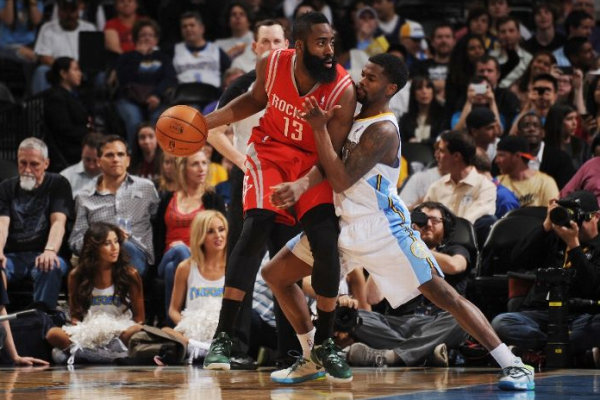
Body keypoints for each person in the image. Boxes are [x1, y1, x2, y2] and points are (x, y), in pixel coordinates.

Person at [265, 53, 534, 391]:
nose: (362, 81)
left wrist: (319, 128)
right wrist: (301, 184)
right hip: (345, 224)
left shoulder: (383, 129)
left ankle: (513, 363)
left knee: (445, 296)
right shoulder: (355, 116)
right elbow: (331, 162)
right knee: (275, 274)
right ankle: (311, 357)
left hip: (383, 229)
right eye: (363, 74)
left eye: (371, 78)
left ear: (390, 88)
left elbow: (341, 179)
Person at [201, 12, 355, 376]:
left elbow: (332, 155)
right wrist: (206, 122)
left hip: (313, 165)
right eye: (321, 43)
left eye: (331, 42)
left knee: (325, 241)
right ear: (299, 46)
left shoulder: (342, 89)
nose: (329, 50)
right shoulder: (271, 64)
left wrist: (302, 185)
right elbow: (253, 101)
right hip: (269, 152)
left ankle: (325, 342)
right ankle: (224, 336)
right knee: (256, 226)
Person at [345, 202, 470, 368]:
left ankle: (392, 355)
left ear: (445, 225)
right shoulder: (398, 252)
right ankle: (424, 355)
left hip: (436, 323)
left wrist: (412, 245)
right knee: (356, 317)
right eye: (422, 219)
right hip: (399, 323)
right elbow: (372, 298)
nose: (428, 224)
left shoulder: (455, 250)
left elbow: (454, 266)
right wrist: (390, 248)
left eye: (435, 220)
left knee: (462, 317)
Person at [492, 190, 600, 362]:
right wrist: (545, 226)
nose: (573, 223)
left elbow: (592, 286)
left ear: (596, 217)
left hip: (582, 315)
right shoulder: (553, 238)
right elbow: (518, 260)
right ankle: (569, 352)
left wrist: (574, 246)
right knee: (501, 323)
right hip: (543, 314)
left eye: (579, 217)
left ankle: (538, 352)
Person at [47, 222, 144, 364]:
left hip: (120, 331)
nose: (114, 248)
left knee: (137, 330)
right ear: (94, 247)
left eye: (116, 242)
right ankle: (110, 356)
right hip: (90, 330)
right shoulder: (76, 275)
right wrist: (85, 332)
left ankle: (83, 355)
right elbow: (75, 316)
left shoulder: (130, 274)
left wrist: (122, 331)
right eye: (107, 243)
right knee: (53, 334)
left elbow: (140, 318)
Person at [69, 135, 159, 277]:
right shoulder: (84, 196)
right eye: (109, 155)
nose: (116, 159)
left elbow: (159, 221)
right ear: (98, 161)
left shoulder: (146, 188)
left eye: (120, 154)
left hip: (136, 255)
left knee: (125, 247)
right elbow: (76, 240)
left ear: (128, 160)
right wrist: (103, 239)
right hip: (98, 258)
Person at [0, 138, 73, 309]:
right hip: (14, 256)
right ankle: (3, 320)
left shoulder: (58, 183)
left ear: (46, 163)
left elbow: (58, 222)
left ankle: (42, 319)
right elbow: (2, 224)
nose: (27, 170)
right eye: (22, 163)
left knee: (50, 265)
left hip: (45, 252)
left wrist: (50, 250)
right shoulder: (6, 187)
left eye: (34, 164)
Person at [154, 152, 226, 324]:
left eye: (204, 163)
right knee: (177, 253)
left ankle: (173, 324)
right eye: (195, 164)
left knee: (172, 269)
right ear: (183, 169)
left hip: (199, 260)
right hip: (168, 255)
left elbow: (223, 232)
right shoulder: (168, 198)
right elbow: (158, 235)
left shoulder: (213, 199)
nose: (202, 168)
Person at [161, 210, 227, 363]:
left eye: (221, 229)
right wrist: (190, 326)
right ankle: (201, 348)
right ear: (200, 235)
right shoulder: (186, 267)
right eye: (210, 231)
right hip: (192, 332)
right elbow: (173, 310)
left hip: (221, 333)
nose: (218, 236)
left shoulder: (232, 267)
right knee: (165, 331)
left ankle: (206, 349)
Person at [114, 18, 176, 146]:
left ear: (156, 40)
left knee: (158, 121)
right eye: (143, 35)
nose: (147, 38)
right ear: (135, 38)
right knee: (134, 121)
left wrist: (156, 95)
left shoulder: (163, 58)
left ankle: (157, 154)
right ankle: (134, 153)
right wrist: (139, 57)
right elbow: (124, 79)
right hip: (129, 99)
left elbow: (170, 79)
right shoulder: (126, 57)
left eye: (150, 35)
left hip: (156, 99)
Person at [31, 0, 96, 95]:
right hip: (57, 71)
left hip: (81, 71)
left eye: (72, 11)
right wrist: (65, 71)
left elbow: (93, 60)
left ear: (78, 11)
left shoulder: (89, 28)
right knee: (41, 71)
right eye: (65, 10)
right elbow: (44, 58)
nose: (68, 15)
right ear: (58, 11)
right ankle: (41, 103)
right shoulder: (47, 28)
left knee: (99, 75)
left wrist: (74, 71)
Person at [43, 56, 91, 172]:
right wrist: (89, 132)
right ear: (63, 74)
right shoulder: (56, 97)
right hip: (69, 148)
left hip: (79, 142)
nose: (80, 74)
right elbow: (65, 130)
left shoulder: (70, 95)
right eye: (76, 69)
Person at [514, 113, 575, 189]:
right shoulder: (510, 159)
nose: (531, 129)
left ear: (543, 133)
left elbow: (568, 189)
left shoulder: (561, 158)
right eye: (526, 126)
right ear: (518, 134)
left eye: (536, 126)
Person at [495, 136, 559, 207]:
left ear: (517, 156)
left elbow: (553, 211)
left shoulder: (545, 183)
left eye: (501, 155)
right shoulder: (498, 182)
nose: (496, 161)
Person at [398, 76, 446, 145]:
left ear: (433, 91)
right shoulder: (405, 119)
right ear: (413, 93)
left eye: (428, 87)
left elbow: (441, 139)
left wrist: (420, 141)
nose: (424, 91)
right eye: (419, 88)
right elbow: (401, 143)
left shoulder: (442, 116)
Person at [60, 132, 104, 198]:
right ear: (82, 154)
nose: (91, 166)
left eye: (96, 161)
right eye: (87, 160)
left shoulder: (115, 177)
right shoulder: (65, 177)